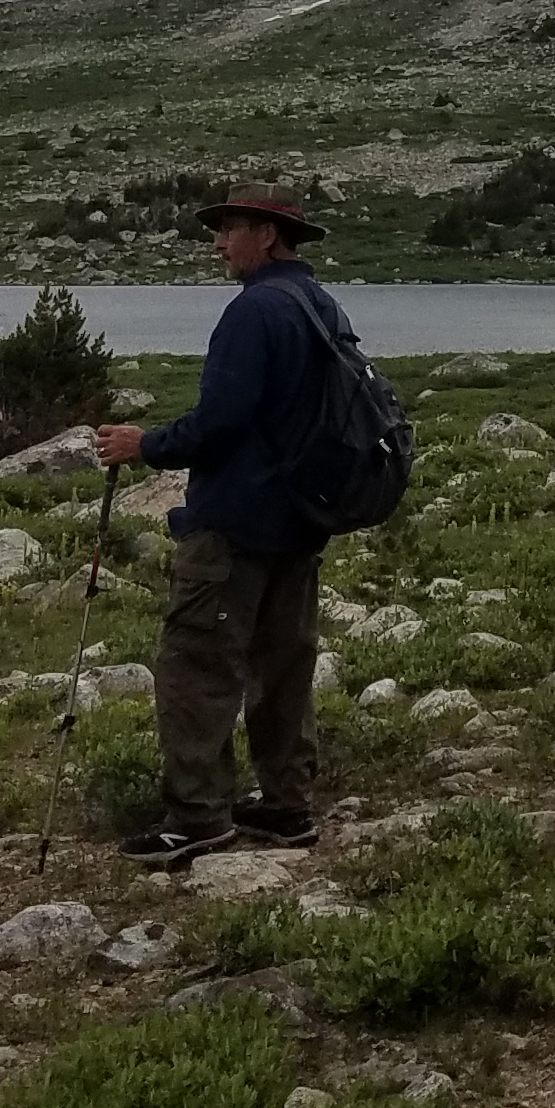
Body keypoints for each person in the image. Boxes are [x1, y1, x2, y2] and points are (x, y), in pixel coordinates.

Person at [92, 184, 348, 863]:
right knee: (285, 661)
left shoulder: (253, 310)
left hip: (236, 519)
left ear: (266, 235)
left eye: (230, 228)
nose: (218, 242)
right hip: (301, 517)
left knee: (197, 663)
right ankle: (287, 804)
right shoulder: (320, 304)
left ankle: (198, 815)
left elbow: (221, 422)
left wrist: (143, 445)